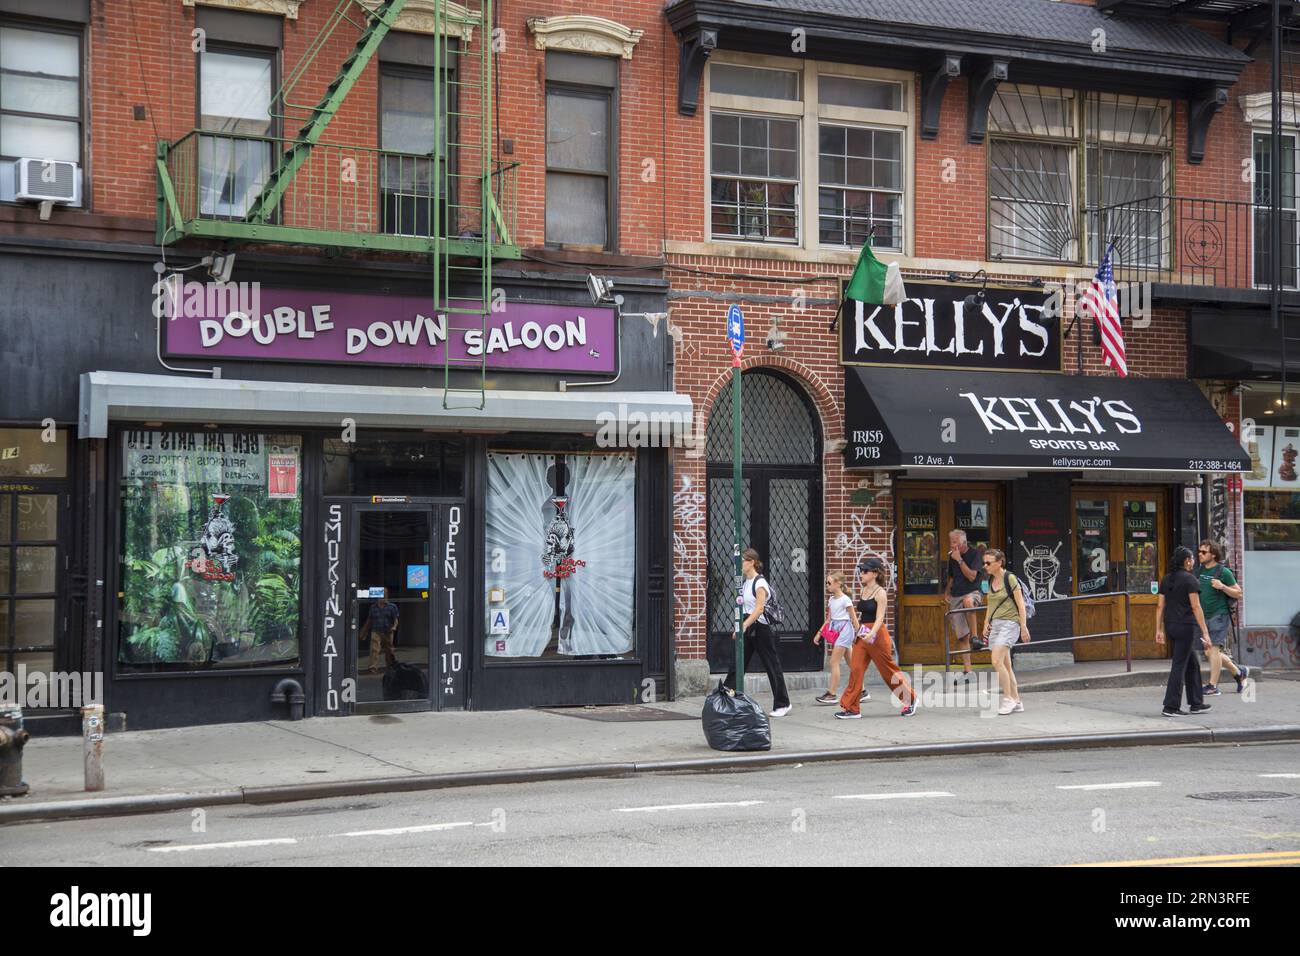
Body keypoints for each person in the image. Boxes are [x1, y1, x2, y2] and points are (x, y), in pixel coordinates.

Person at [837, 557, 917, 718]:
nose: (862, 573)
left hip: (877, 634)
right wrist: (859, 631)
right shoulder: (863, 589)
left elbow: (880, 617)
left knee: (888, 671)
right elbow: (862, 614)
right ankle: (852, 708)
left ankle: (910, 699)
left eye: (865, 571)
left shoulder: (880, 593)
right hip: (863, 633)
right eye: (861, 570)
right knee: (856, 669)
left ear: (875, 573)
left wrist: (871, 633)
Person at [723, 549, 792, 717]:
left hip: (760, 628)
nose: (739, 565)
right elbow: (745, 608)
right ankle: (726, 696)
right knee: (738, 662)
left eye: (742, 561)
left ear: (752, 562)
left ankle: (783, 703)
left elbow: (759, 608)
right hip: (748, 625)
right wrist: (739, 626)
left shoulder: (760, 583)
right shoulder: (745, 582)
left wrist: (744, 625)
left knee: (771, 665)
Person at [1156, 546, 1213, 718]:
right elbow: (1196, 607)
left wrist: (1158, 629)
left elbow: (1160, 606)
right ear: (1187, 561)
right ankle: (1171, 706)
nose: (1194, 561)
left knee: (1192, 663)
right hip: (1186, 626)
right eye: (1192, 558)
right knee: (1179, 665)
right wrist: (1205, 632)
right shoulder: (1190, 580)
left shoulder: (1166, 579)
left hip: (1171, 625)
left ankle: (1196, 703)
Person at [980, 549, 1031, 715]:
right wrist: (986, 623)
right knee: (1006, 666)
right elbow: (991, 604)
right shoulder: (990, 579)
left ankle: (1007, 699)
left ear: (999, 562)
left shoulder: (1010, 578)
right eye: (984, 562)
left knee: (996, 661)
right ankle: (1017, 701)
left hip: (1011, 623)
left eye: (988, 563)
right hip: (996, 624)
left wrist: (1023, 626)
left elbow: (1021, 604)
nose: (985, 566)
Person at [1196, 540, 1249, 696]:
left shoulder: (1223, 572)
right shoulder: (1199, 571)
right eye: (1199, 551)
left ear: (1213, 555)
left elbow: (1238, 593)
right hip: (1204, 617)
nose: (1200, 554)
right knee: (1209, 653)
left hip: (1219, 615)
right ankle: (1239, 673)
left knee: (1213, 649)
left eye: (1204, 552)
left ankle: (1212, 686)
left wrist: (1222, 586)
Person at [813, 572, 862, 704]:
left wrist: (861, 634)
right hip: (837, 630)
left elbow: (853, 618)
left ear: (838, 584)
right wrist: (819, 633)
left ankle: (832, 694)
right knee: (852, 663)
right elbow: (829, 619)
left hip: (845, 631)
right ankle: (862, 690)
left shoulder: (846, 600)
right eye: (826, 583)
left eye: (829, 583)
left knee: (833, 662)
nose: (827, 585)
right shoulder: (831, 600)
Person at [944, 529, 983, 684]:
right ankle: (968, 671)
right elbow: (952, 576)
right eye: (951, 541)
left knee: (968, 601)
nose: (951, 545)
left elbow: (972, 576)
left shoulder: (975, 555)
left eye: (953, 542)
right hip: (956, 595)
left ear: (962, 542)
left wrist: (960, 559)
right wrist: (947, 591)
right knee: (961, 635)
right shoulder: (952, 557)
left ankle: (975, 638)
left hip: (972, 592)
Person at [361, 593, 400, 675]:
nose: (382, 598)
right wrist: (364, 631)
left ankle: (390, 666)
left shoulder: (392, 607)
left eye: (384, 596)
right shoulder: (373, 607)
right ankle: (373, 667)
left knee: (389, 650)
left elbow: (395, 619)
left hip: (388, 631)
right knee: (374, 649)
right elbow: (370, 620)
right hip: (376, 630)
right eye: (380, 597)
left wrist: (394, 627)